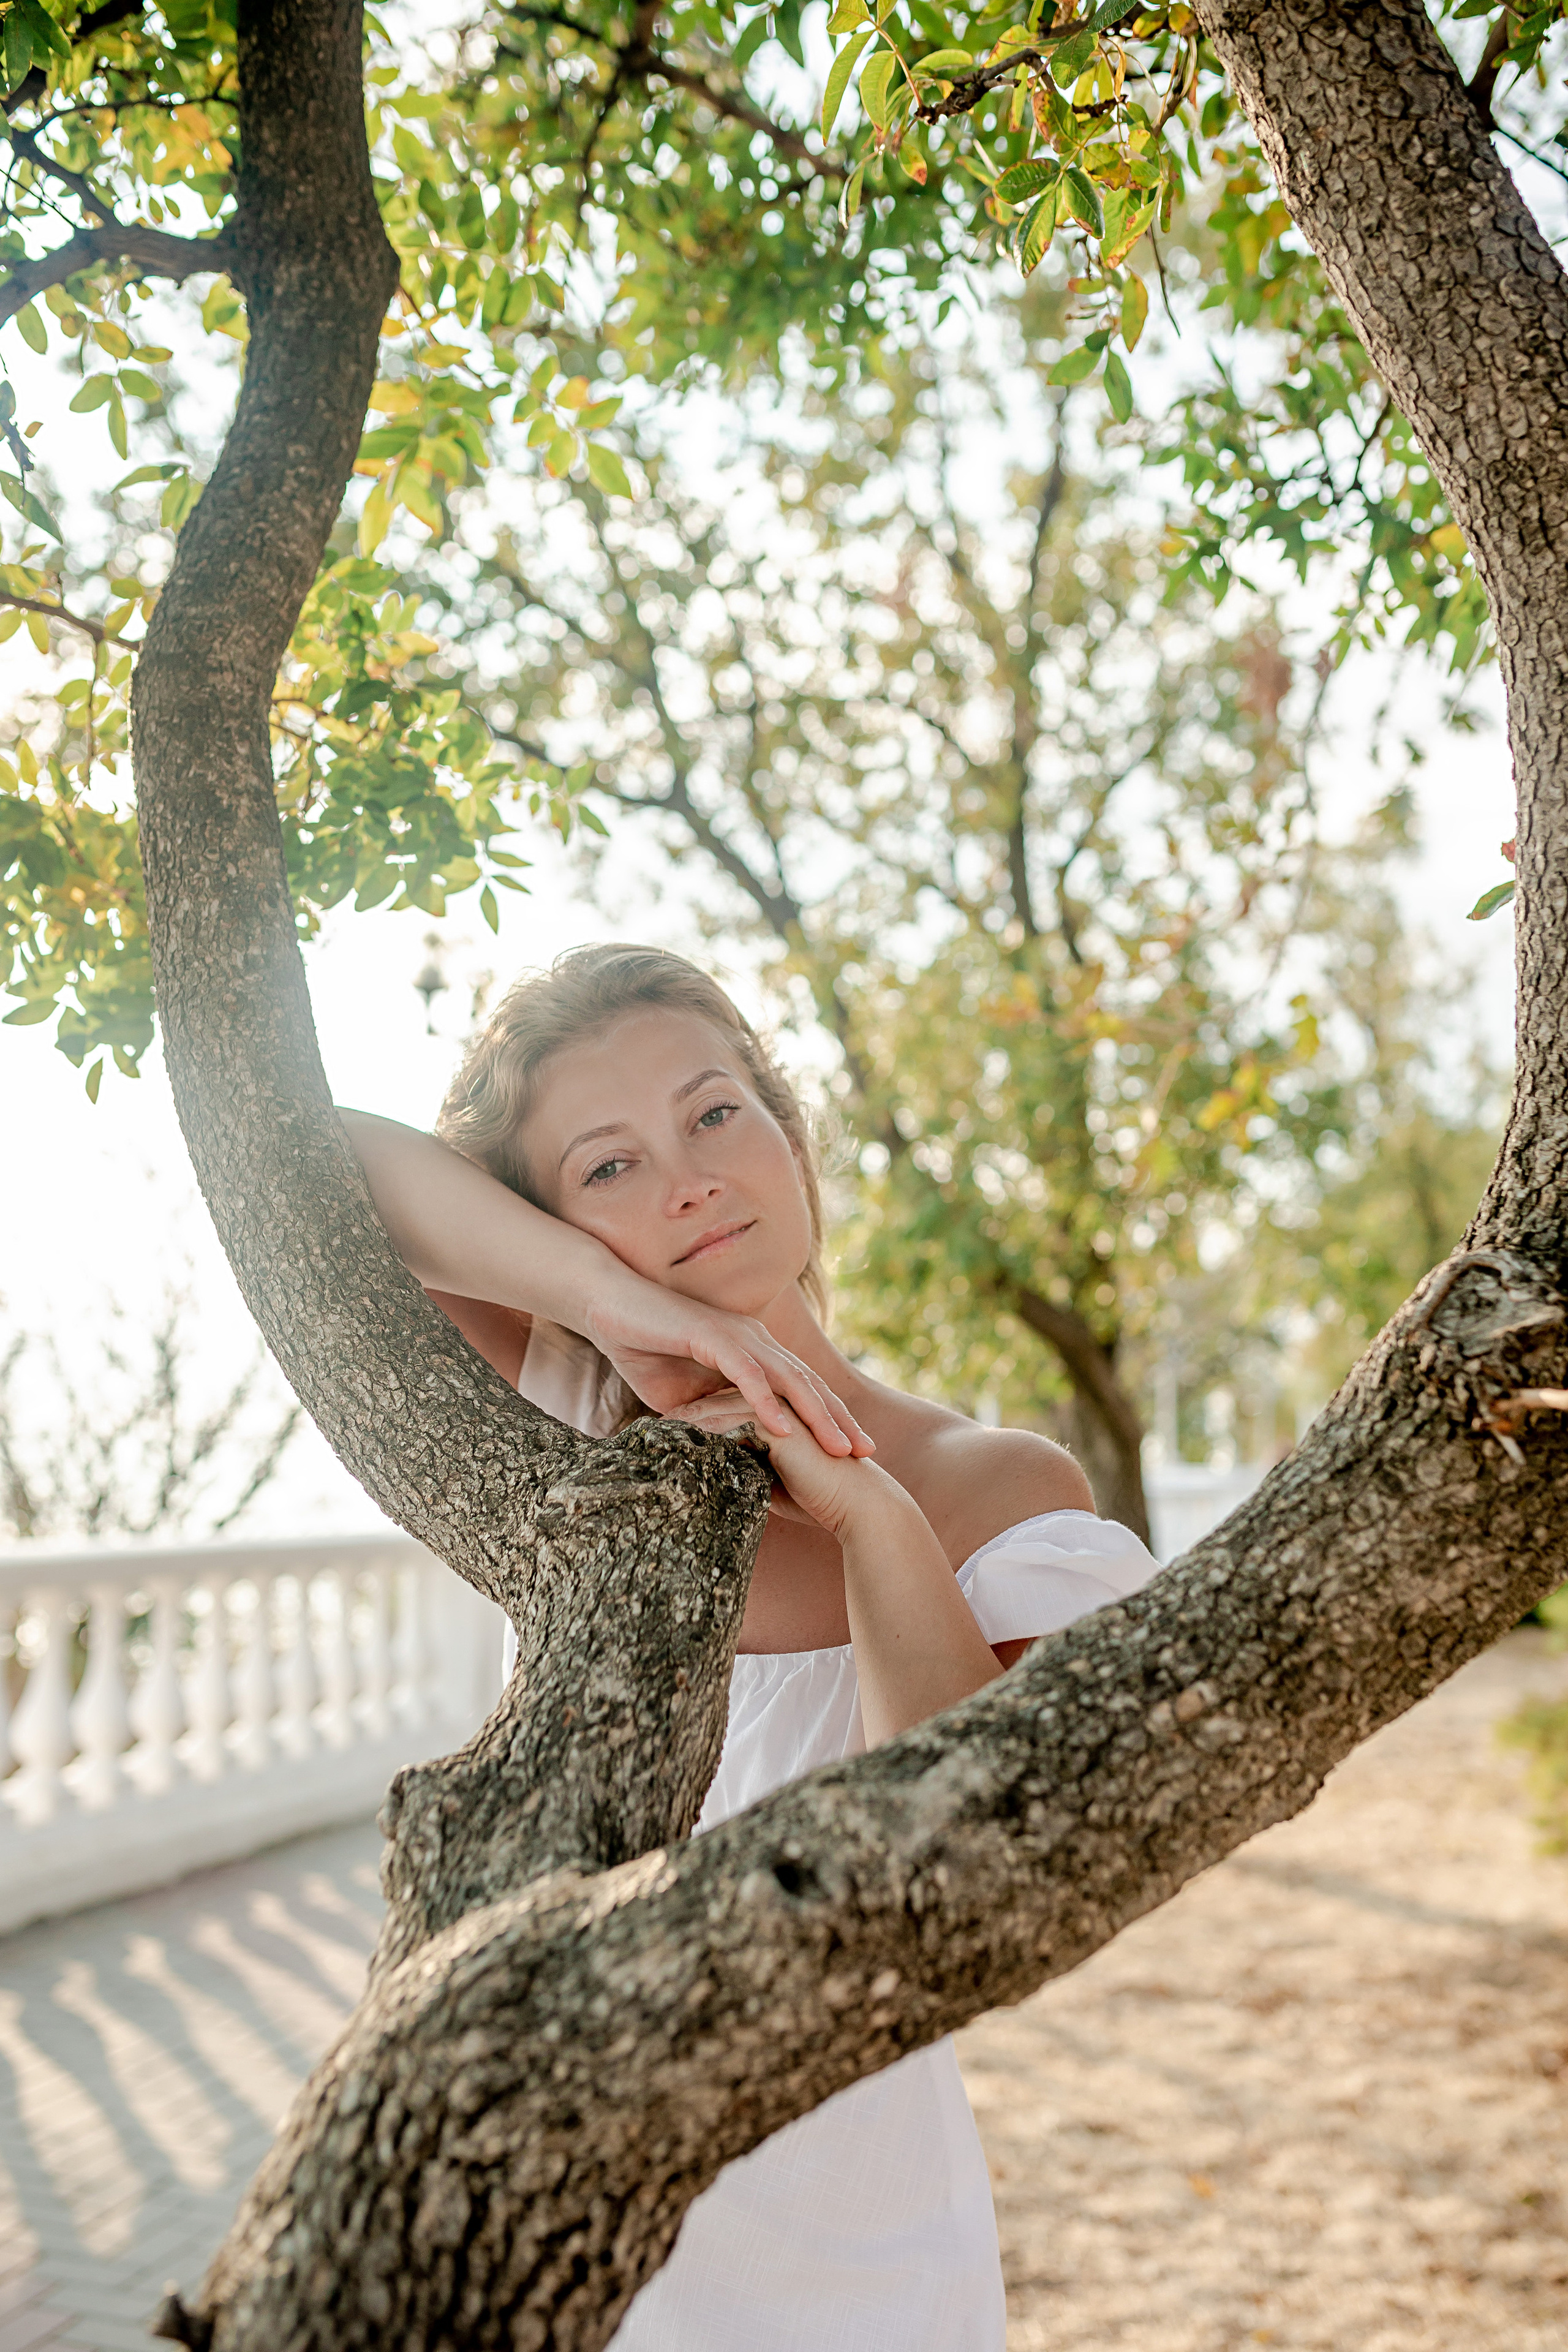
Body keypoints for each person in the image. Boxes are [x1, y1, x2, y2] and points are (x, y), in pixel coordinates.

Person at [342, 941, 1161, 2352]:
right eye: (606, 1166)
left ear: (786, 1129)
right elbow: (313, 1159)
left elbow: (969, 1873)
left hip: (842, 2249)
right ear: (555, 1226)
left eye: (714, 1113)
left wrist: (867, 1514)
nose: (686, 1179)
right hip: (518, 2214)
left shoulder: (996, 1489)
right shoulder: (564, 1414)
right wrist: (620, 1310)